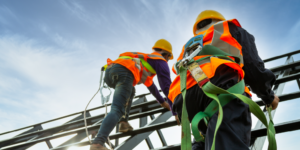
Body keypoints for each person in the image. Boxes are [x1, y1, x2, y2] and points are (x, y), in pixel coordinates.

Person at [168, 10, 280, 150]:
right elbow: (252, 66)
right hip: (220, 86)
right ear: (218, 20)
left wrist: (175, 111)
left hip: (183, 100)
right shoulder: (228, 28)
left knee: (204, 139)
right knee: (227, 140)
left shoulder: (189, 47)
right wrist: (269, 96)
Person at [90, 39, 176, 150]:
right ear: (165, 54)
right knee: (117, 109)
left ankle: (123, 122)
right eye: (168, 58)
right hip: (124, 72)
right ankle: (97, 144)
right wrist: (175, 108)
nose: (167, 61)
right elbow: (166, 86)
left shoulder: (143, 60)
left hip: (110, 72)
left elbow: (151, 86)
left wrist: (162, 102)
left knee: (131, 90)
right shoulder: (160, 60)